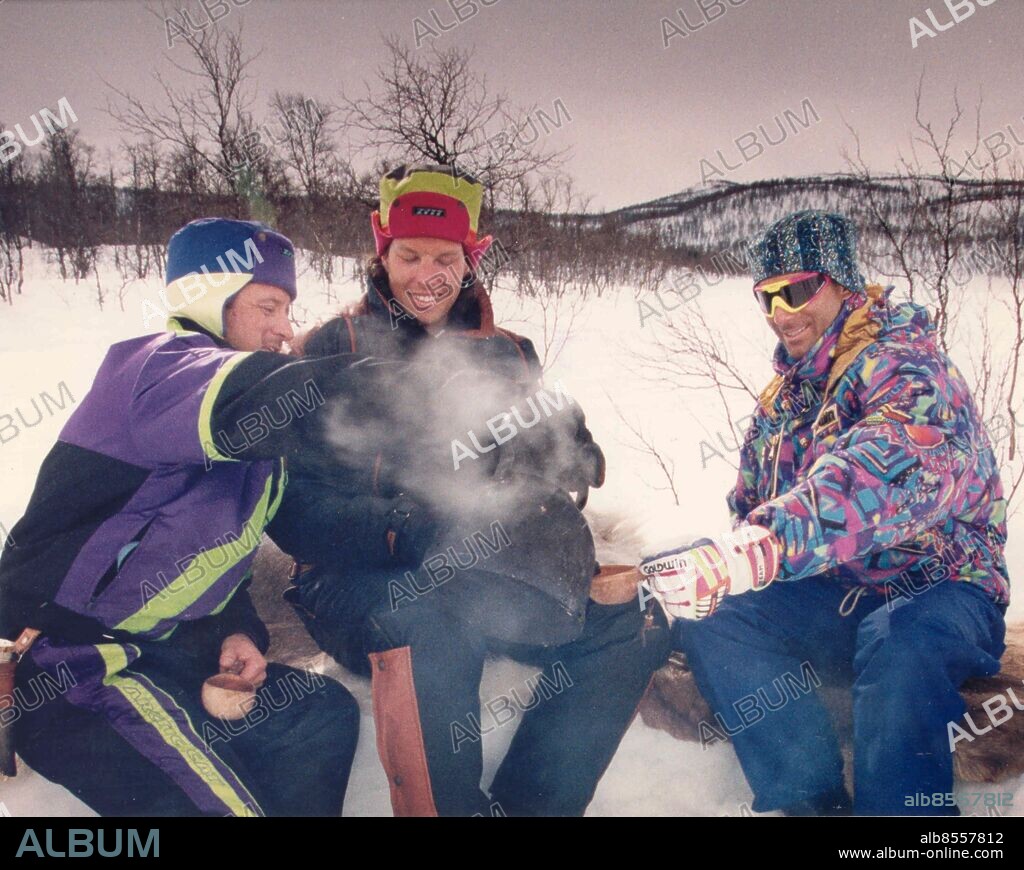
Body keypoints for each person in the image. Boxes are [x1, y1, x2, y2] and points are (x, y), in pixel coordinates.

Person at [268, 164, 671, 817]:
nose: (427, 275)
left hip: (481, 566)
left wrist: (565, 454)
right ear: (382, 252)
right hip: (351, 580)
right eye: (410, 255)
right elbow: (290, 505)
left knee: (631, 624)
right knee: (426, 610)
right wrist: (395, 527)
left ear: (471, 258)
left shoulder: (510, 354)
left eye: (445, 258)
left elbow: (563, 461)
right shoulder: (330, 348)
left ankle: (526, 807)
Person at [0, 218, 415, 817]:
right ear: (209, 301)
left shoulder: (251, 450)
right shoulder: (155, 374)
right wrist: (413, 389)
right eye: (268, 305)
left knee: (316, 717)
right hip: (68, 669)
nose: (285, 329)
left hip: (163, 654)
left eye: (288, 309)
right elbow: (259, 395)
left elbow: (216, 560)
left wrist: (236, 629)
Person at [639, 210, 1010, 816]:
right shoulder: (781, 403)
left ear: (843, 283)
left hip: (940, 587)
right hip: (834, 591)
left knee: (900, 645)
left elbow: (885, 473)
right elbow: (751, 508)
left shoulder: (909, 367)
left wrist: (768, 544)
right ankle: (809, 801)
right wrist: (717, 565)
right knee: (718, 616)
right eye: (768, 296)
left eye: (799, 289)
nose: (783, 311)